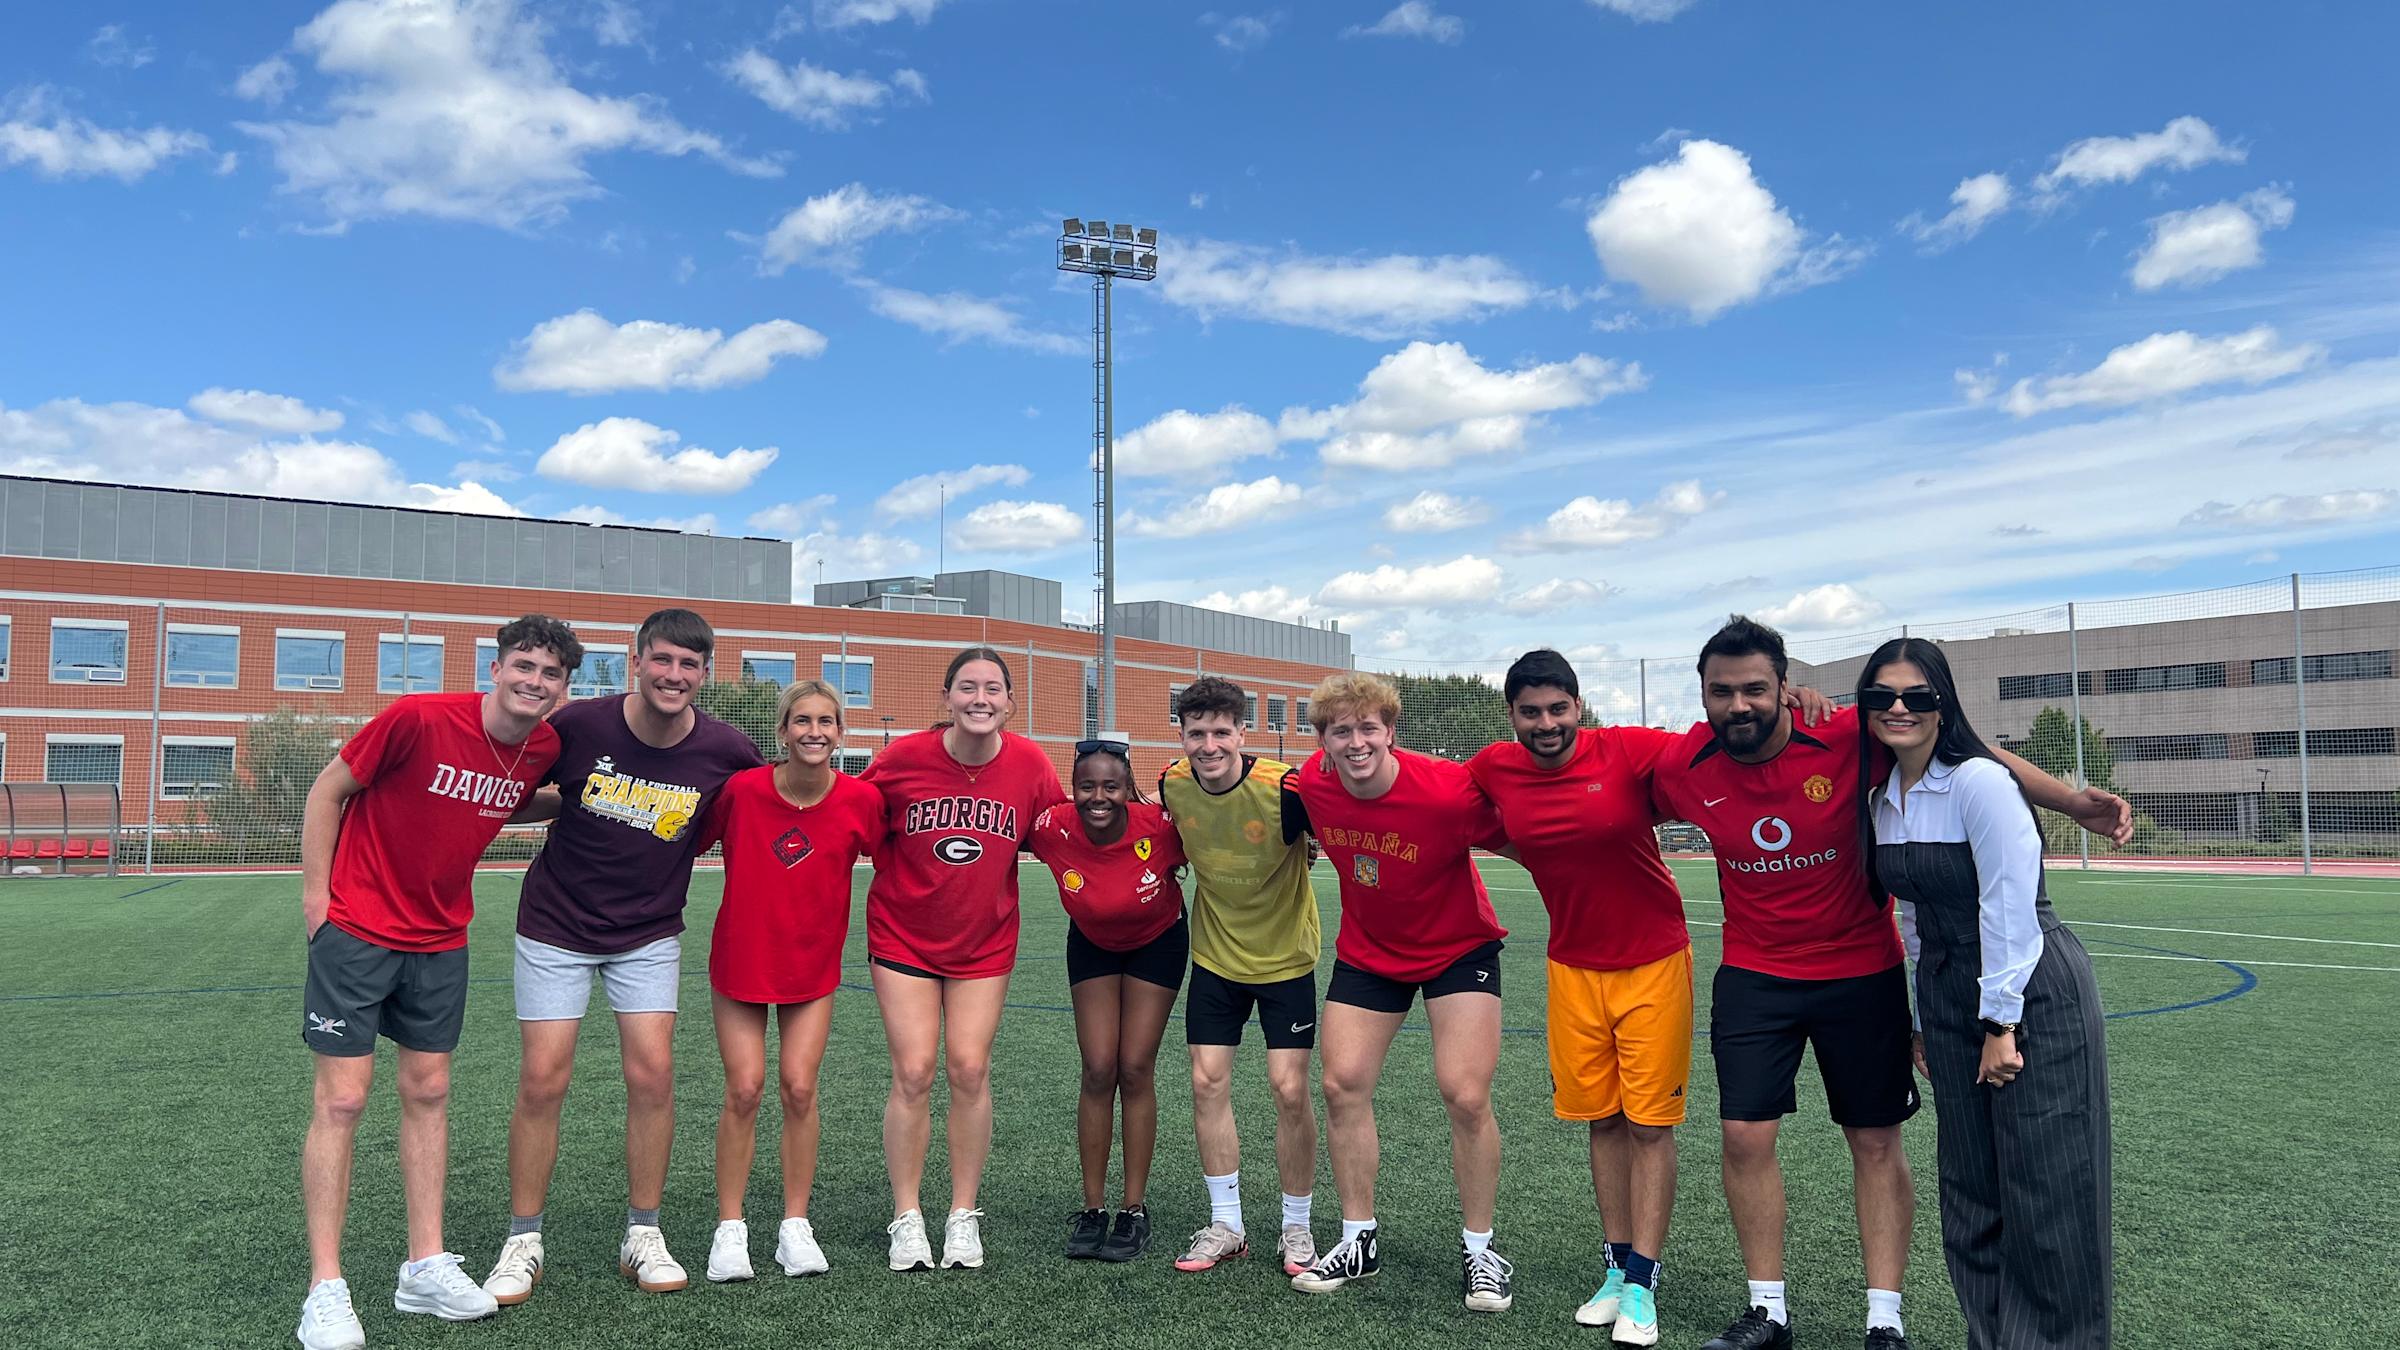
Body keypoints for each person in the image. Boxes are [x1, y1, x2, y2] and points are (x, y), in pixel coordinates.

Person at [1649, 616, 2130, 1350]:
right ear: (1703, 695)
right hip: (1759, 973)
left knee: (1880, 1142)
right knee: (1748, 1137)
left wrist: (2068, 800)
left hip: (1862, 973)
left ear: (1785, 688)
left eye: (1755, 688)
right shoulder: (1683, 762)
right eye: (1722, 691)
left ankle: (1885, 1321)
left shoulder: (1855, 736)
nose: (1738, 704)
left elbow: (1977, 752)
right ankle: (1768, 1312)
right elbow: (1595, 786)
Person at [1470, 650, 1836, 1344]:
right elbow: (1451, 806)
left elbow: (1725, 742)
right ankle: (1614, 1270)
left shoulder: (1632, 751)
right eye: (1530, 712)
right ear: (1511, 716)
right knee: (1601, 1120)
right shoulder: (1494, 768)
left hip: (1654, 961)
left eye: (1558, 709)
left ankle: (1643, 1281)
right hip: (1571, 967)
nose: (1546, 724)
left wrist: (1796, 702)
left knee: (1648, 1125)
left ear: (1579, 707)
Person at [294, 615, 580, 1350]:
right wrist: (317, 906)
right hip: (356, 930)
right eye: (524, 666)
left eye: (550, 674)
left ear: (563, 687)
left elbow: (517, 798)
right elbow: (328, 792)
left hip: (441, 938)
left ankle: (424, 1266)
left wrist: (581, 801)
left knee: (427, 1093)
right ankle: (325, 1288)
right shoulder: (417, 718)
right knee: (344, 1100)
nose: (534, 682)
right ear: (496, 667)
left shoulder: (541, 747)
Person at [483, 609, 764, 1304]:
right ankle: (523, 1240)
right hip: (555, 924)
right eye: (662, 660)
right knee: (544, 1078)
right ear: (637, 660)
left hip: (648, 933)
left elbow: (760, 815)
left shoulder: (729, 750)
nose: (674, 675)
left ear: (705, 674)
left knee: (653, 1074)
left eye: (689, 665)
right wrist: (555, 804)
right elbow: (515, 795)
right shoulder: (579, 727)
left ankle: (643, 1232)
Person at [1858, 639, 2111, 1350]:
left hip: (2029, 993)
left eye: (1916, 695)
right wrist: (1919, 1020)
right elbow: (1909, 917)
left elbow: (2010, 906)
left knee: (2048, 1192)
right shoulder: (1884, 799)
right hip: (1946, 999)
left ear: (1944, 703)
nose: (1899, 709)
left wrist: (2001, 1022)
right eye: (1881, 697)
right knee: (1971, 1193)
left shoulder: (1980, 783)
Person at [1284, 673, 1517, 1315]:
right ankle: (1358, 1237)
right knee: (1341, 1084)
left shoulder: (1445, 790)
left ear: (1391, 732)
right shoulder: (1311, 783)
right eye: (1341, 730)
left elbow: (1523, 840)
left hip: (1458, 949)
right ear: (1323, 739)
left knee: (1465, 1094)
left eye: (1367, 729)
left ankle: (1481, 1250)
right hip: (1371, 954)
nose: (1355, 742)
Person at [860, 646, 1067, 1272]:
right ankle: (906, 1216)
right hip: (903, 935)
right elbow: (854, 816)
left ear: (1010, 701)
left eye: (992, 689)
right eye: (968, 687)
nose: (980, 699)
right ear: (946, 698)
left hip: (984, 941)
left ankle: (961, 1215)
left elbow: (1064, 831)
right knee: (915, 1071)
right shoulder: (902, 759)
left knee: (970, 1068)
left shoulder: (1030, 763)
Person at [695, 678, 886, 1282]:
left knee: (799, 1088)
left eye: (826, 722)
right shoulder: (743, 792)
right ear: (782, 732)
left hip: (812, 965)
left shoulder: (860, 800)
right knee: (745, 1088)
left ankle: (794, 1227)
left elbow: (897, 863)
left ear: (839, 733)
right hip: (741, 960)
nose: (814, 732)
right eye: (802, 721)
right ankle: (731, 1230)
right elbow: (683, 839)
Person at [1155, 677, 1323, 1278]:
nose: (1208, 745)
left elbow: (1327, 839)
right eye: (1196, 732)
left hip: (1285, 961)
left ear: (1241, 732)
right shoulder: (1171, 783)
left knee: (1288, 1089)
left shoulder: (1284, 788)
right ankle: (1227, 1224)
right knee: (1206, 1083)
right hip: (1215, 959)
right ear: (1182, 734)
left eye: (1221, 732)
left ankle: (1297, 1227)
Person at [1028, 739, 1189, 1263]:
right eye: (1087, 786)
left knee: (1134, 1068)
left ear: (1128, 789)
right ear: (1073, 789)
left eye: (1111, 786)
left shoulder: (1160, 828)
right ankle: (1093, 1208)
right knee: (1098, 1068)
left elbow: (1220, 837)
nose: (1099, 797)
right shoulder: (1052, 827)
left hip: (1158, 943)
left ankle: (1133, 1210)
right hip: (1092, 943)